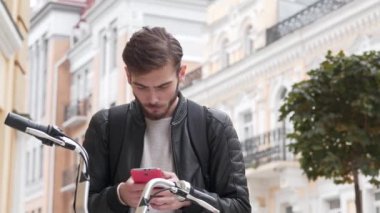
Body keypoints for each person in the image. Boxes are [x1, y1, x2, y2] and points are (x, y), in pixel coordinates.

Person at [83, 26, 251, 213]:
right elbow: (81, 205)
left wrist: (188, 196)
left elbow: (240, 208)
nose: (153, 98)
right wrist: (119, 195)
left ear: (181, 73)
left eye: (163, 86)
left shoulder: (214, 125)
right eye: (142, 87)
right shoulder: (105, 126)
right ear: (128, 76)